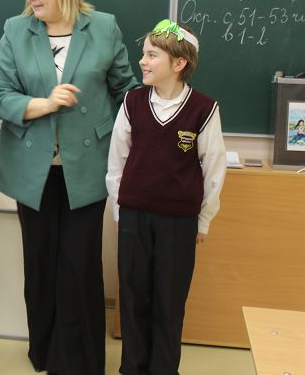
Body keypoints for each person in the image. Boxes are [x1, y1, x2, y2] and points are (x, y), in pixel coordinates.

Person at [0, 0, 138, 375]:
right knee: (39, 262)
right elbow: (1, 96)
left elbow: (125, 89)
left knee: (79, 263)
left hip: (87, 166)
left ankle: (79, 361)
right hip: (31, 170)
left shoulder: (103, 26)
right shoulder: (15, 30)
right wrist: (45, 103)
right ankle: (44, 352)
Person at [106, 19, 226, 375]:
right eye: (143, 54)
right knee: (133, 298)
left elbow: (214, 169)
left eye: (151, 55)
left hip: (178, 222)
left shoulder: (203, 109)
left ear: (179, 63)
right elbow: (117, 161)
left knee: (169, 303)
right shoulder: (132, 102)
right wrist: (119, 211)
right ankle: (133, 368)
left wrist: (203, 220)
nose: (142, 61)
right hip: (134, 217)